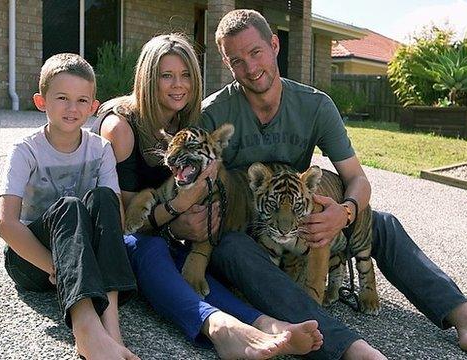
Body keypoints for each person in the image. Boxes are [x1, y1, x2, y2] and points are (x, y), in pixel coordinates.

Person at [182, 9, 467, 359]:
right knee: (231, 248)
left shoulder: (315, 106)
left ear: (275, 46)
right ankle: (347, 346)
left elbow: (357, 180)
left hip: (293, 223)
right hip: (246, 235)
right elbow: (186, 183)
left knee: (381, 222)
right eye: (237, 61)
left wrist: (344, 213)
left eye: (256, 53)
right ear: (226, 63)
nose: (250, 68)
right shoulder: (214, 113)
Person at [94, 33, 323, 359]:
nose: (179, 85)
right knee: (155, 248)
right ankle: (219, 328)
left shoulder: (184, 121)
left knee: (193, 265)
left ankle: (266, 323)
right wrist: (177, 215)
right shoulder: (120, 127)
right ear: (148, 78)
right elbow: (120, 225)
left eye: (186, 74)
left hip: (162, 230)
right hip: (117, 240)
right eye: (166, 76)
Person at [0, 53, 139, 360]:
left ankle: (111, 327)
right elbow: (6, 224)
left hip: (84, 265)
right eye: (62, 98)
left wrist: (79, 270)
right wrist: (57, 269)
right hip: (35, 262)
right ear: (41, 101)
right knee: (70, 205)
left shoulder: (100, 149)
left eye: (81, 100)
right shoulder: (25, 150)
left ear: (93, 106)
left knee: (103, 198)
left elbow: (114, 219)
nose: (72, 108)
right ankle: (86, 329)